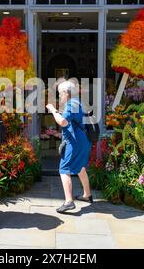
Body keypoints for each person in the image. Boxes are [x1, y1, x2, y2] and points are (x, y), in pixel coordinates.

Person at [46, 80, 93, 213]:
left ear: (67, 93)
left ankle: (69, 201)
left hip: (75, 142)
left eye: (60, 93)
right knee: (80, 167)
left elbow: (62, 121)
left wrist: (53, 110)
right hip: (84, 141)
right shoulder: (79, 102)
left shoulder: (71, 104)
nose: (60, 96)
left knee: (64, 169)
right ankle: (87, 195)